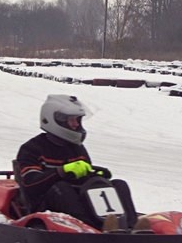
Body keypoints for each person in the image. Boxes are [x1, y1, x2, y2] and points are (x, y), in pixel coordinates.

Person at [15, 94, 136, 230]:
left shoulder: (76, 148)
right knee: (61, 188)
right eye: (71, 120)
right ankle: (91, 229)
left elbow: (85, 179)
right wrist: (61, 171)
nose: (76, 125)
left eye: (78, 120)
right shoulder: (32, 148)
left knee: (119, 184)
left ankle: (130, 227)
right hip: (46, 205)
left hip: (79, 202)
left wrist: (96, 175)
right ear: (55, 120)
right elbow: (30, 184)